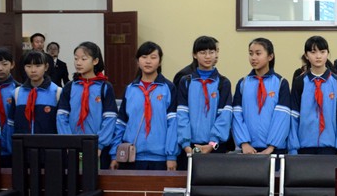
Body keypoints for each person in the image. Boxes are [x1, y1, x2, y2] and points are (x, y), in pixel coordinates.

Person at [111, 42, 179, 171]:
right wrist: (115, 154)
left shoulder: (169, 88)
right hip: (131, 156)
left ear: (160, 62)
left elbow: (173, 124)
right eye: (144, 57)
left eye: (153, 57)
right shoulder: (130, 89)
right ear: (138, 61)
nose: (148, 61)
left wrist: (171, 156)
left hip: (161, 158)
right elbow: (121, 123)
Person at [57, 42, 118, 168]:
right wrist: (68, 142)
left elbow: (110, 118)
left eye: (83, 59)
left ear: (95, 61)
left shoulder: (105, 87)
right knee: (73, 177)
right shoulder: (69, 86)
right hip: (72, 146)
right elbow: (61, 117)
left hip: (98, 147)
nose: (78, 63)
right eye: (76, 59)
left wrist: (99, 144)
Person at [176, 36, 233, 169]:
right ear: (194, 55)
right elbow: (182, 115)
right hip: (189, 147)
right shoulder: (186, 81)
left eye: (211, 52)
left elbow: (224, 116)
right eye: (202, 52)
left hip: (215, 147)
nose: (207, 56)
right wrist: (185, 145)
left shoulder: (223, 83)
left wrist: (212, 144)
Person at [289, 36, 337, 155]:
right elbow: (294, 116)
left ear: (327, 53)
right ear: (306, 55)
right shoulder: (299, 82)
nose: (318, 56)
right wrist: (293, 148)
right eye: (313, 52)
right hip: (304, 146)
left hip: (330, 146)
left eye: (322, 52)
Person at [232, 38, 291, 155]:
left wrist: (271, 147)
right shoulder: (243, 83)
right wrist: (244, 143)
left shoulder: (281, 83)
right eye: (251, 53)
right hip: (248, 150)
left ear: (270, 56)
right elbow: (237, 115)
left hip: (275, 149)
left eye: (258, 53)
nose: (253, 58)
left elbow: (282, 117)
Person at [8, 51, 61, 152]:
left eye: (38, 66)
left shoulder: (57, 92)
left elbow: (61, 125)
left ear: (46, 67)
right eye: (28, 66)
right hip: (22, 150)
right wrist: (12, 150)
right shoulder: (17, 93)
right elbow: (11, 124)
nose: (33, 70)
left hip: (50, 151)